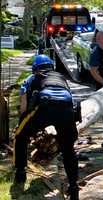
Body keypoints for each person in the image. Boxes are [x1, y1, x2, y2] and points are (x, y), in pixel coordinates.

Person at [13, 54, 79, 200]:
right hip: (67, 110)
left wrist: (23, 122)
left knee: (20, 136)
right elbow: (71, 98)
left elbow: (24, 104)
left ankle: (20, 172)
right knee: (69, 150)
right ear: (51, 66)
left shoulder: (31, 78)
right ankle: (74, 187)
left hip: (45, 108)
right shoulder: (61, 78)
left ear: (35, 68)